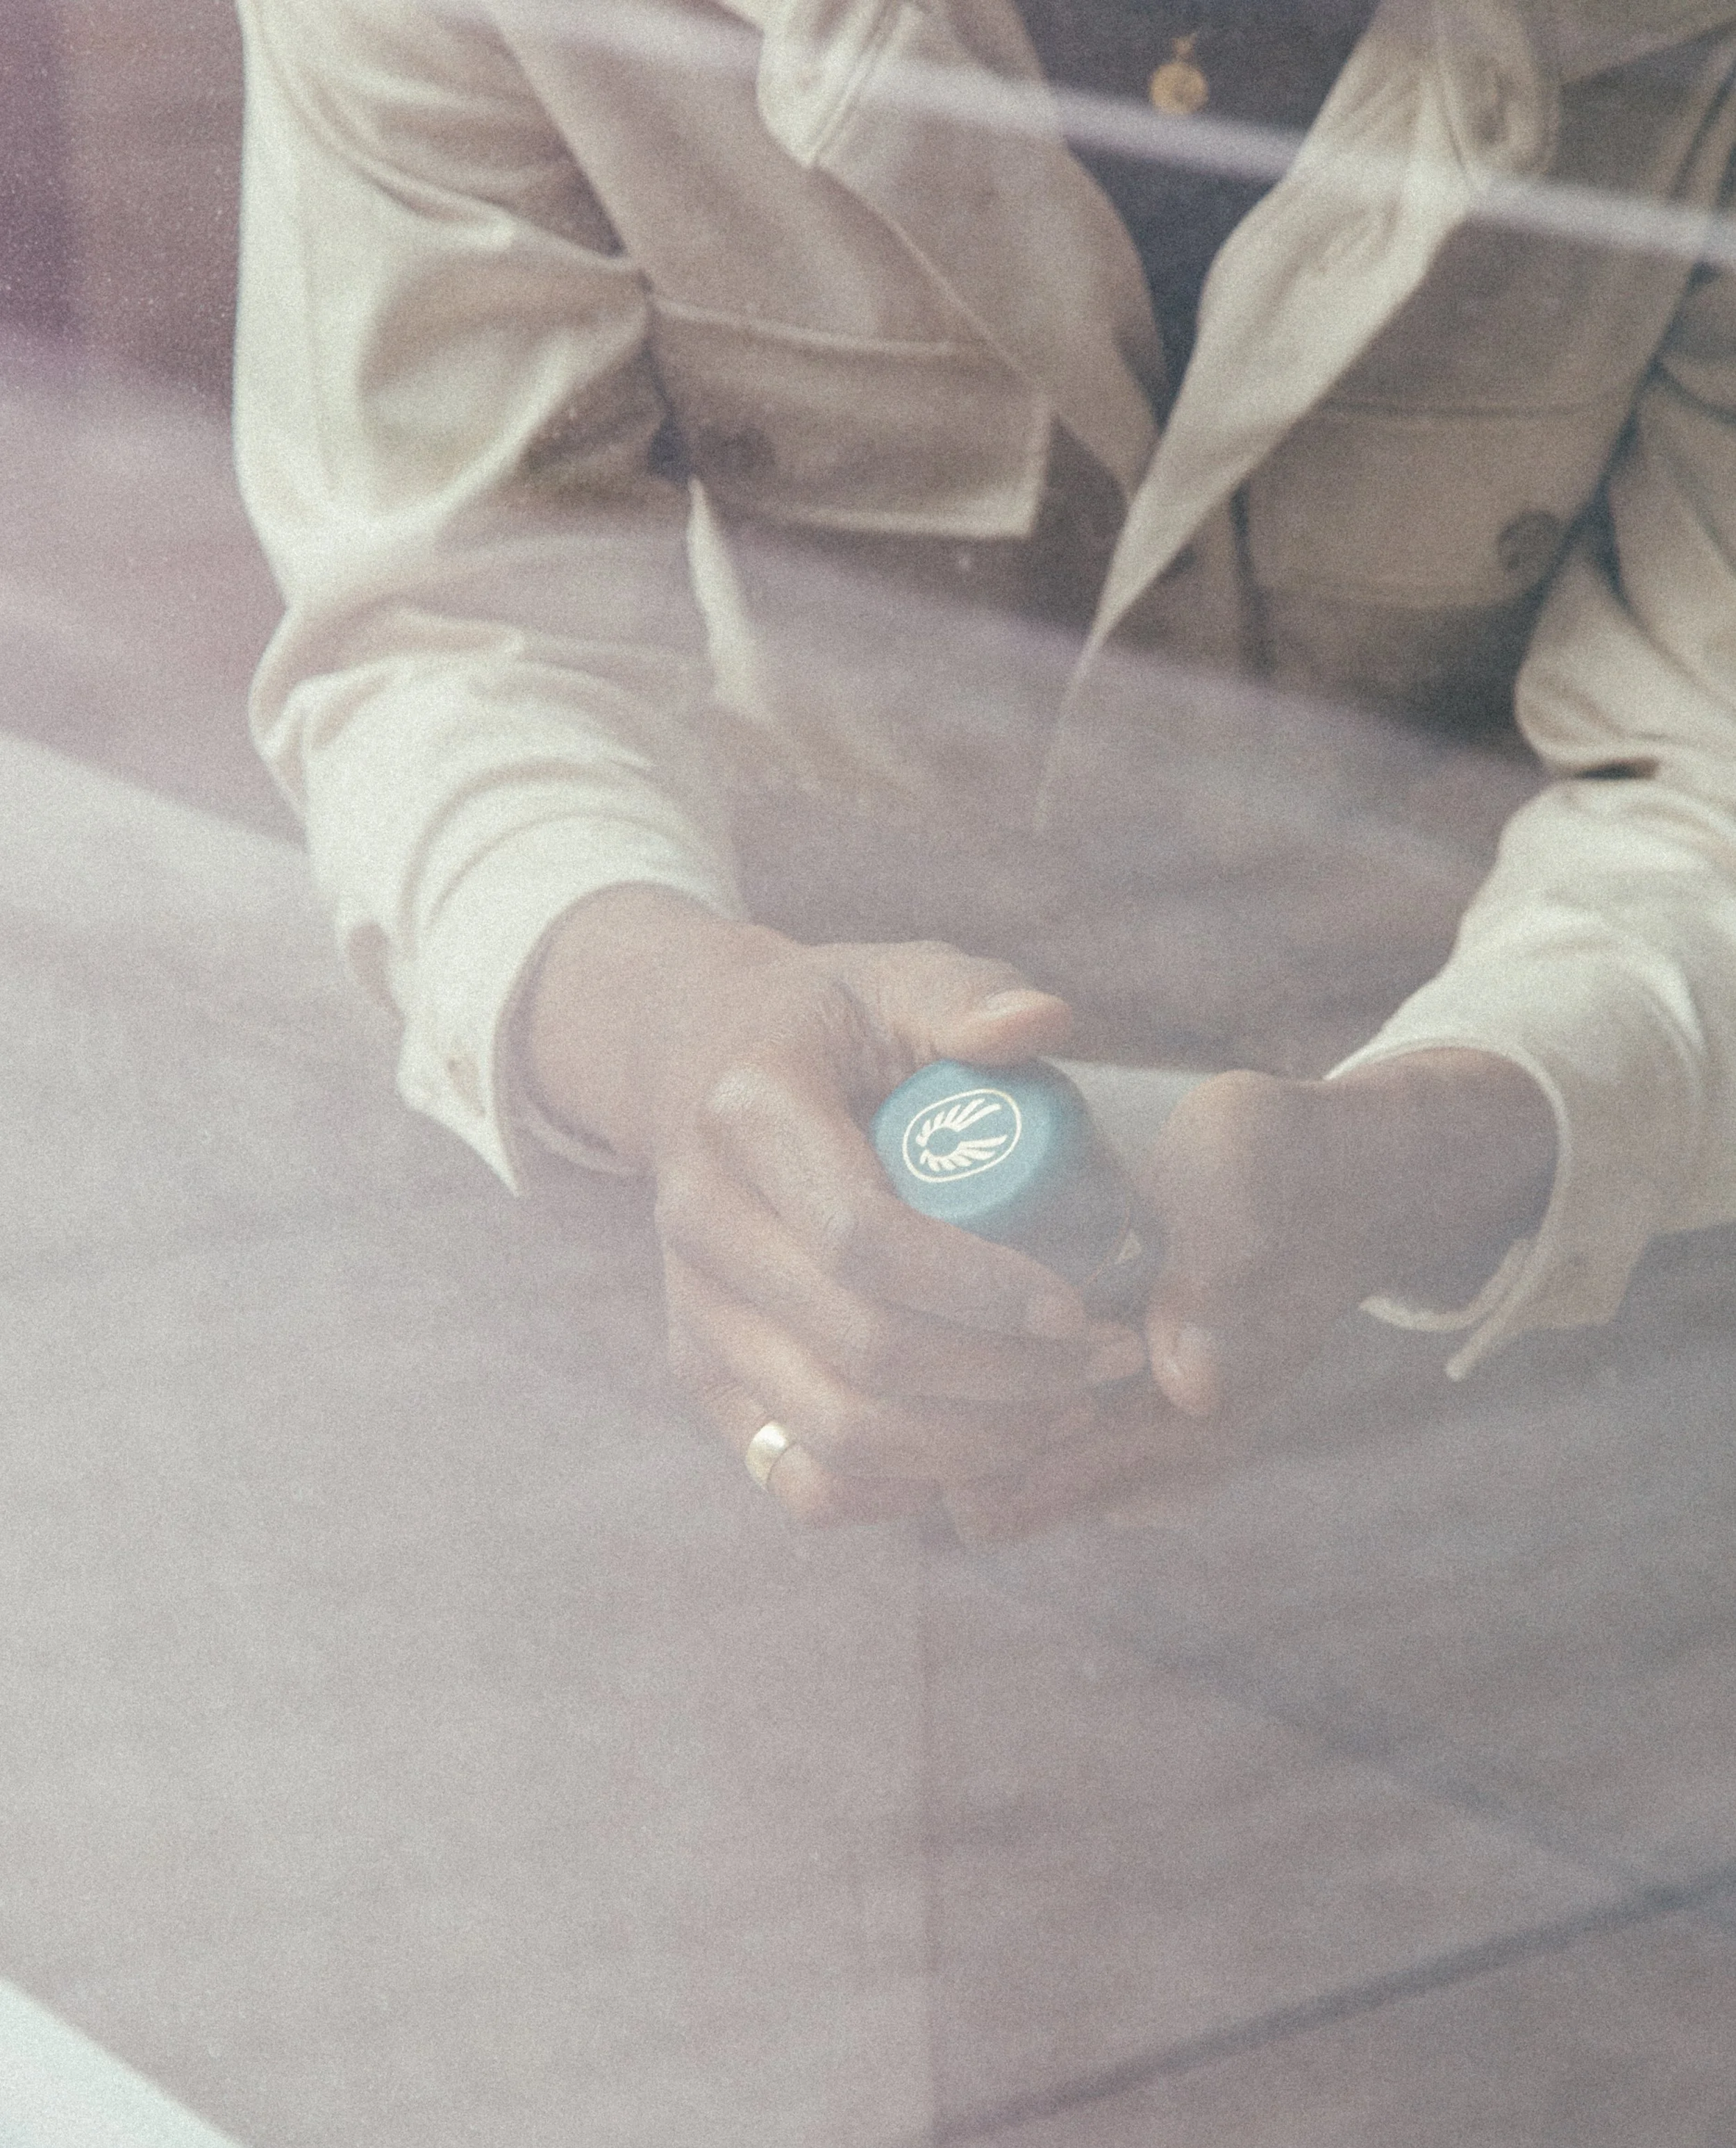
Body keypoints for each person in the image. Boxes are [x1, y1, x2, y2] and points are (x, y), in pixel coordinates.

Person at [231, 0, 1736, 1531]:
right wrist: (680, 1034)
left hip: (1571, 1299)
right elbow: (456, 624)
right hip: (730, 1235)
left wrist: (1432, 1144)